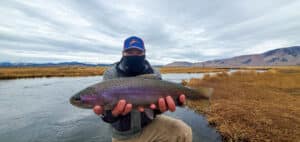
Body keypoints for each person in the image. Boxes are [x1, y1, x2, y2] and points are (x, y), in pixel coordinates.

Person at [93, 36, 192, 142]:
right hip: (123, 136)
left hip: (149, 125)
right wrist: (112, 115)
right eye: (130, 52)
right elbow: (105, 113)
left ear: (144, 53)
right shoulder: (111, 74)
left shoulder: (154, 73)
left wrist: (159, 109)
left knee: (183, 131)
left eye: (138, 52)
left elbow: (154, 109)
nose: (134, 55)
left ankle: (201, 96)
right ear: (123, 53)